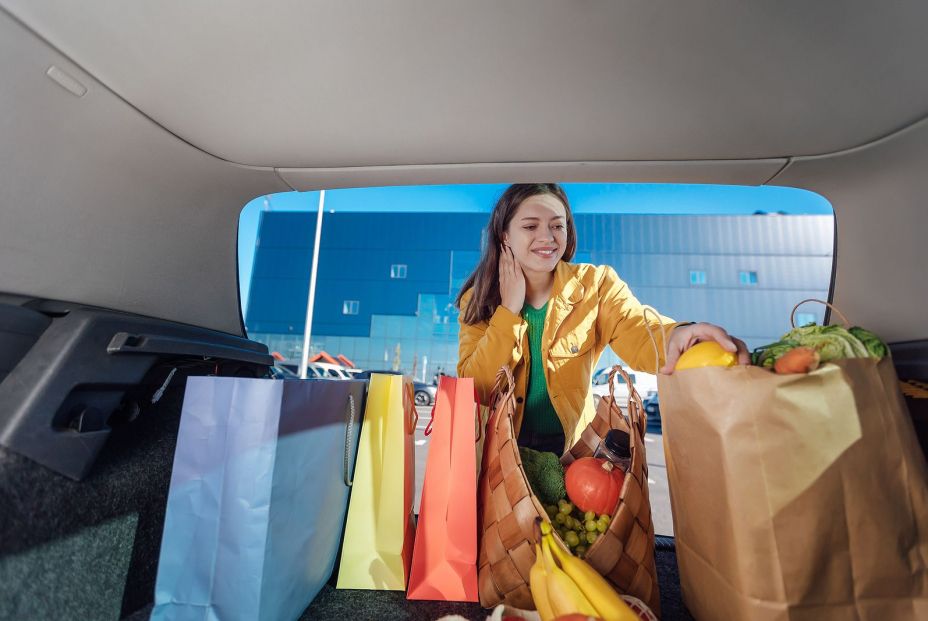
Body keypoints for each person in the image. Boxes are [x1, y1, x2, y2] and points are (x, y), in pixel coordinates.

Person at [455, 184, 749, 454]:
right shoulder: (478, 299)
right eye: (531, 226)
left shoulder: (596, 286)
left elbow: (636, 327)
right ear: (504, 235)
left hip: (573, 455)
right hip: (500, 455)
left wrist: (679, 336)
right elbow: (475, 387)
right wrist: (508, 310)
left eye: (557, 225)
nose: (547, 237)